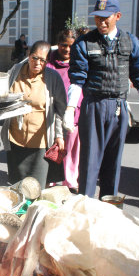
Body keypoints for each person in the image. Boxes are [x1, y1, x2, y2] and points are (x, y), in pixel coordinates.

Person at [64, 0, 139, 199]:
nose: (101, 22)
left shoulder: (130, 41)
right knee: (89, 161)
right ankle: (85, 207)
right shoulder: (84, 43)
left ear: (118, 16)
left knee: (113, 161)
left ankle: (109, 208)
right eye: (97, 18)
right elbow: (77, 79)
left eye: (106, 18)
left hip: (119, 106)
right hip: (93, 105)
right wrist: (70, 110)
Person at [1, 40, 67, 188]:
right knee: (17, 185)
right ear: (28, 55)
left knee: (37, 187)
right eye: (35, 58)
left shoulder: (53, 78)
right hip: (16, 139)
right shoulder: (14, 72)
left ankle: (34, 211)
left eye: (42, 60)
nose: (38, 63)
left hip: (40, 144)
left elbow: (60, 110)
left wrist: (59, 135)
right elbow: (3, 95)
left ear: (47, 61)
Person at [46, 29, 82, 193]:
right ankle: (51, 179)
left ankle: (70, 180)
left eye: (70, 46)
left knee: (72, 148)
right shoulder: (48, 62)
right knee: (53, 147)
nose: (67, 49)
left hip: (73, 113)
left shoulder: (79, 63)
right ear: (58, 45)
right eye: (63, 45)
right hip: (52, 113)